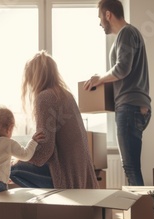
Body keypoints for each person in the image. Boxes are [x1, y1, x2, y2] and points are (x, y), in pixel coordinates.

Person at [84, 0, 151, 186]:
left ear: (108, 15)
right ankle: (138, 212)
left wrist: (100, 79)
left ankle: (139, 213)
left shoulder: (126, 33)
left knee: (131, 168)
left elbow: (122, 68)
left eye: (100, 17)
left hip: (130, 107)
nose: (99, 23)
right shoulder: (130, 34)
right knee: (132, 167)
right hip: (135, 106)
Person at [10, 50, 99, 189]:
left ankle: (51, 199)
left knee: (11, 170)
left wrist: (20, 157)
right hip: (80, 173)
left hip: (65, 174)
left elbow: (45, 151)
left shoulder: (45, 97)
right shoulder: (66, 95)